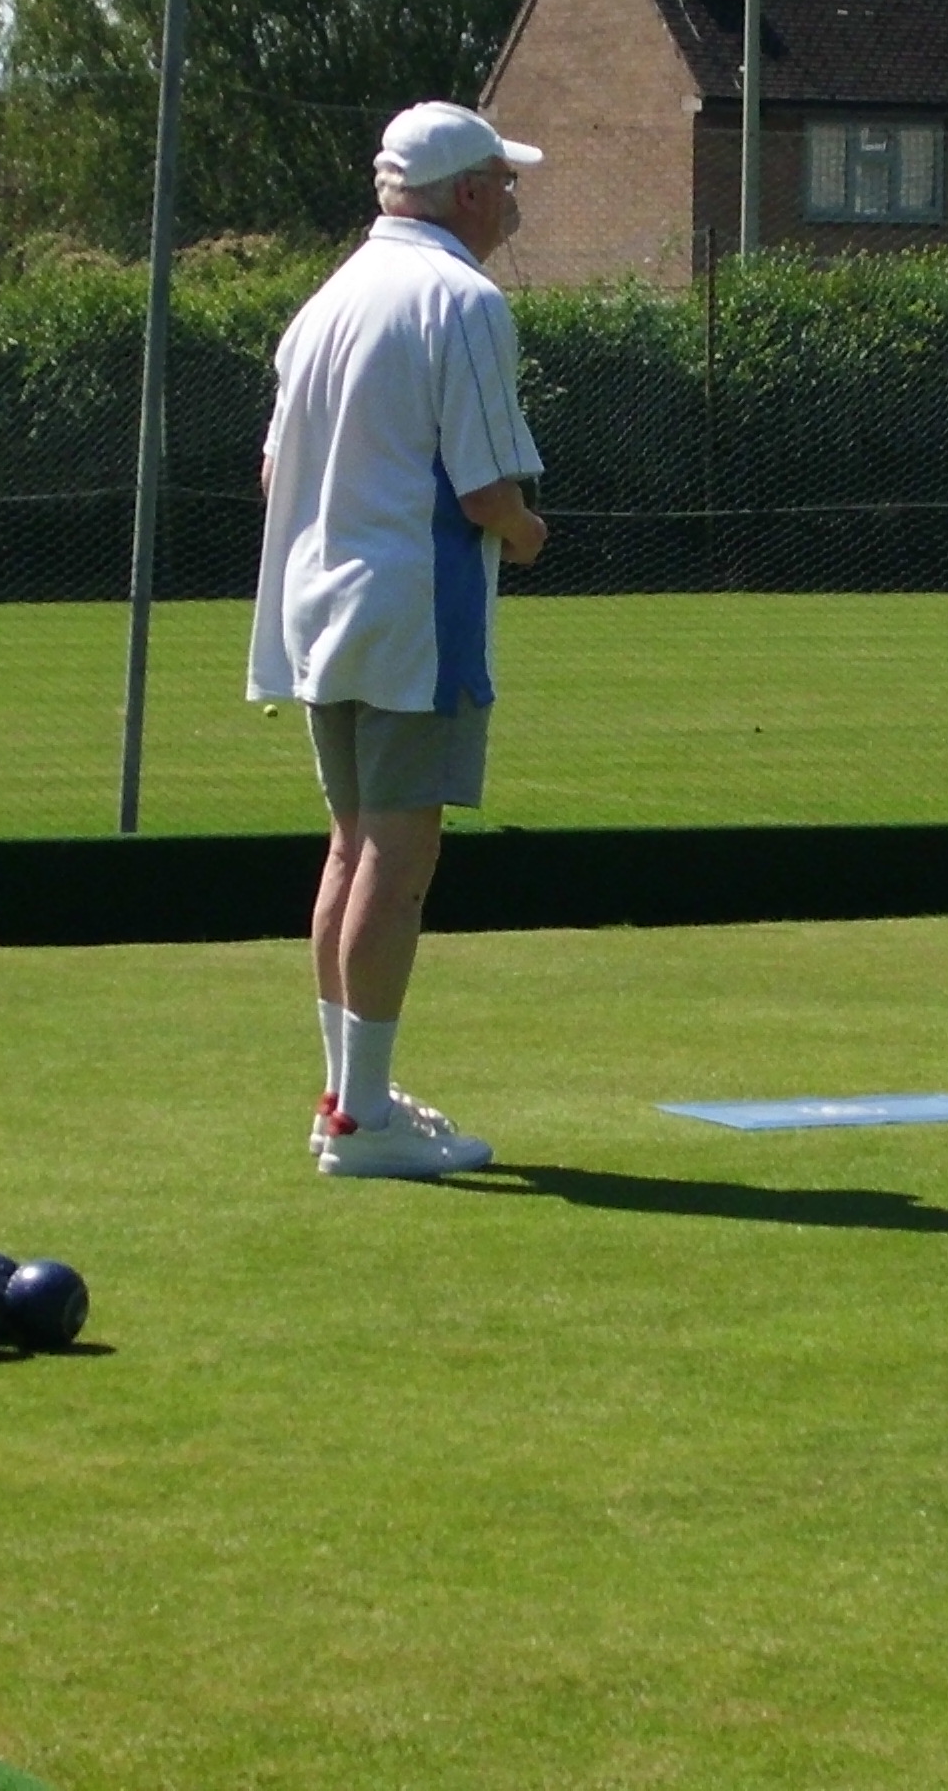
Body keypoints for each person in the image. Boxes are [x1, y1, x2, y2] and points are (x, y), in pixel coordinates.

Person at [250, 101, 551, 1178]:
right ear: (464, 192)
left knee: (350, 845)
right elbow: (482, 489)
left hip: (318, 605)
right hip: (413, 614)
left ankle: (345, 1099)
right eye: (503, 182)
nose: (513, 198)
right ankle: (364, 1119)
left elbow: (273, 475)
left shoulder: (324, 300)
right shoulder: (462, 299)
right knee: (396, 851)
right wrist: (527, 532)